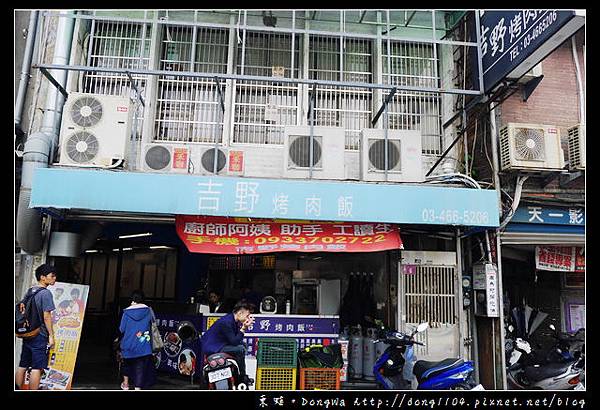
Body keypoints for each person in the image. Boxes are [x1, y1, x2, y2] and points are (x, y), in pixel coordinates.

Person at [15, 264, 57, 390]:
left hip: (28, 333)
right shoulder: (46, 294)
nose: (55, 278)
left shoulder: (31, 291)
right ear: (43, 277)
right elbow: (47, 316)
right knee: (37, 367)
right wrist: (51, 335)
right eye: (52, 276)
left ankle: (17, 388)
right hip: (40, 334)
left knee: (23, 364)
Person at [200, 301, 255, 386]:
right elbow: (234, 341)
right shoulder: (227, 322)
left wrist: (243, 328)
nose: (248, 318)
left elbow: (236, 339)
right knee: (240, 349)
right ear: (240, 313)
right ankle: (242, 376)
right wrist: (244, 328)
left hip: (220, 344)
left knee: (243, 345)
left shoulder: (233, 320)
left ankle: (236, 371)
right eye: (247, 315)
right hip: (213, 347)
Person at [118, 290, 156, 390]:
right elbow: (153, 324)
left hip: (128, 344)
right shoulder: (148, 311)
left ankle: (125, 384)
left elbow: (121, 329)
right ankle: (137, 388)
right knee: (140, 369)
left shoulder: (126, 312)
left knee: (126, 365)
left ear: (132, 299)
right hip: (143, 345)